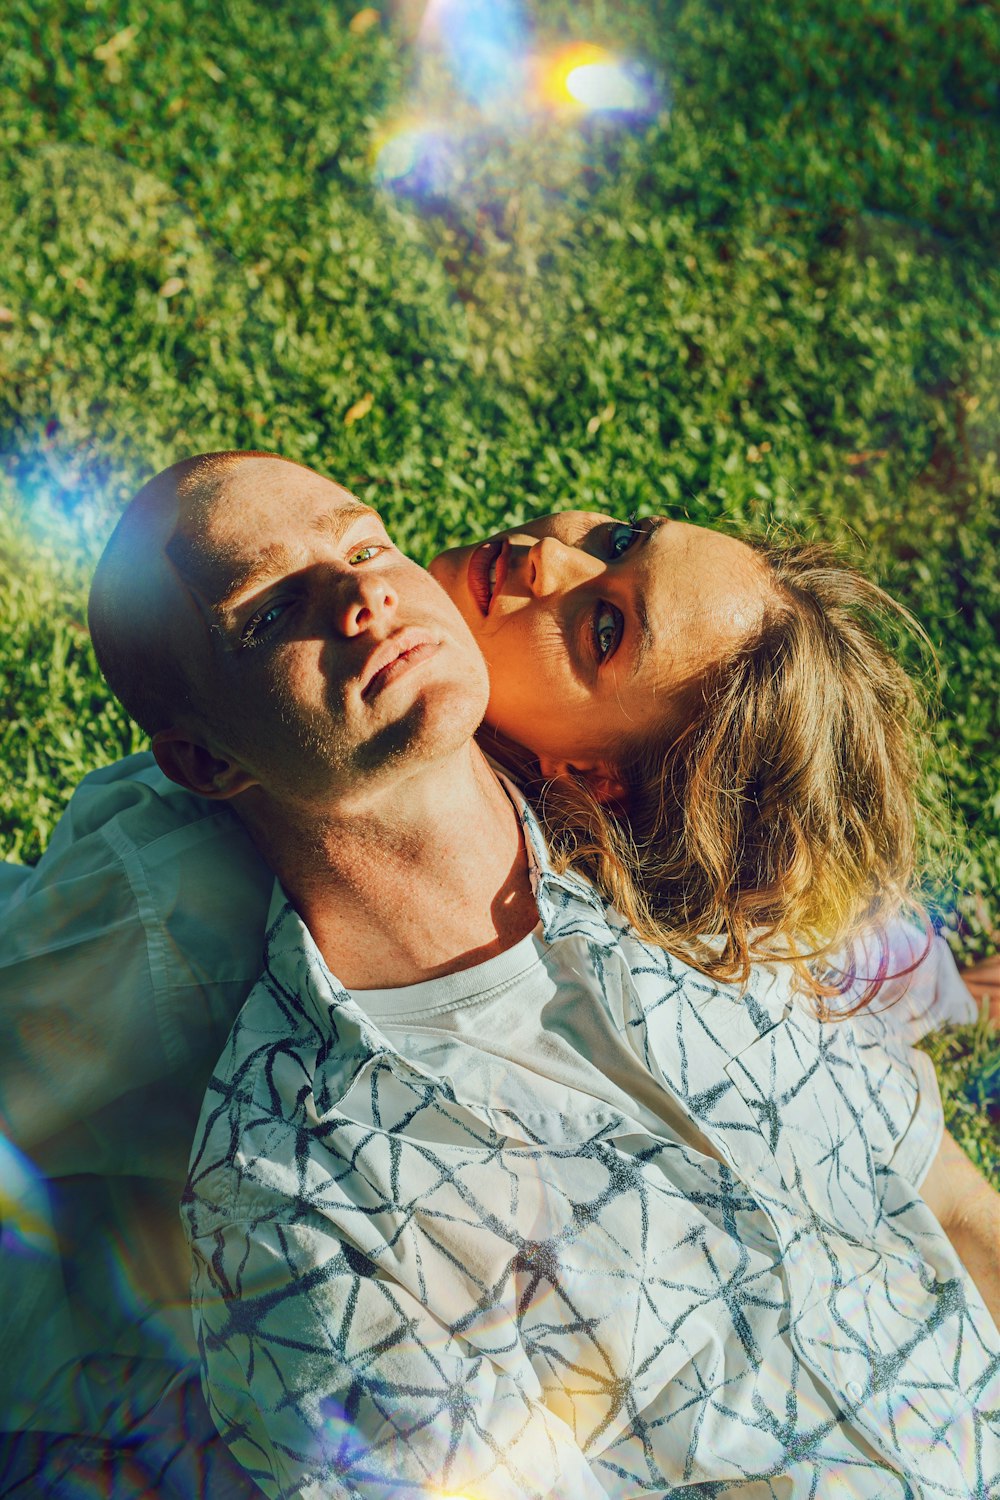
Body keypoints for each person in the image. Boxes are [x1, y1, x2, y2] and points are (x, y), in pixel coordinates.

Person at [16, 449, 998, 1497]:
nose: (361, 594)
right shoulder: (307, 1194)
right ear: (209, 764)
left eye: (365, 544)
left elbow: (952, 1208)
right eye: (269, 612)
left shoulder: (699, 912)